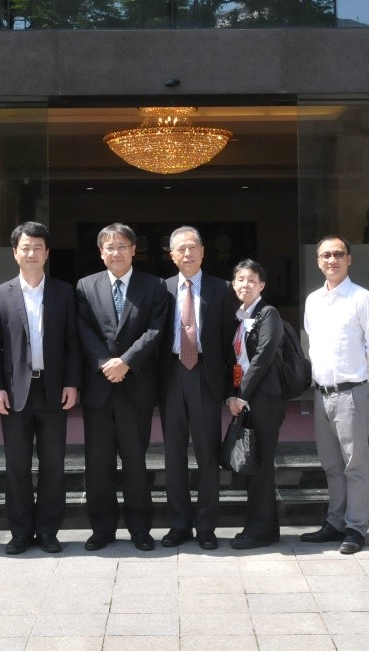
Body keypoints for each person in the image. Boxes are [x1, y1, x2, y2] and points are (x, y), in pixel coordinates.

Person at [0, 221, 80, 555]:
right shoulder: (0, 294)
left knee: (53, 466)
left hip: (53, 390)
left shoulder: (64, 292)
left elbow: (72, 342)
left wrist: (72, 382)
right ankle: (21, 532)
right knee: (17, 466)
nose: (31, 253)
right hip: (15, 393)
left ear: (47, 253)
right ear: (15, 253)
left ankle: (49, 531)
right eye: (25, 248)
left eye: (38, 248)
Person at [74, 222, 169, 551]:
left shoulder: (154, 286)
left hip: (136, 387)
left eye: (122, 246)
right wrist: (105, 362)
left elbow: (155, 331)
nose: (116, 252)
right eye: (110, 247)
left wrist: (126, 362)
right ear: (101, 253)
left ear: (133, 250)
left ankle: (140, 528)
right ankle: (102, 529)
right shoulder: (85, 286)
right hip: (99, 388)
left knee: (135, 462)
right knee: (98, 463)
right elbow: (83, 329)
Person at [300, 235, 369, 555]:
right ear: (318, 262)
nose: (332, 260)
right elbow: (312, 342)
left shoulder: (362, 299)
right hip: (322, 395)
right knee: (331, 465)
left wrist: (361, 378)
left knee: (355, 466)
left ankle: (356, 528)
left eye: (338, 254)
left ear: (349, 259)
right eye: (325, 255)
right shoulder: (313, 301)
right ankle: (335, 522)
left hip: (351, 394)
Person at [159, 226, 237, 550]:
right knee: (173, 455)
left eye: (193, 247)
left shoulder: (223, 289)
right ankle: (179, 526)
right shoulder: (162, 289)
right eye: (181, 249)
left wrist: (233, 387)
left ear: (203, 252)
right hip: (171, 375)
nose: (188, 254)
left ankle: (206, 527)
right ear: (172, 255)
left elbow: (231, 342)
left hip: (206, 375)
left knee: (207, 454)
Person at [225, 259, 287, 550]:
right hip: (249, 399)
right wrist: (232, 393)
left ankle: (259, 531)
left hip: (265, 400)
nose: (245, 285)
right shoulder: (241, 317)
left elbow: (263, 357)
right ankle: (265, 528)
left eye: (252, 280)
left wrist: (242, 395)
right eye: (240, 279)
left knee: (261, 466)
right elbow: (237, 361)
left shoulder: (268, 313)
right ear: (233, 284)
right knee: (255, 463)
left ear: (262, 285)